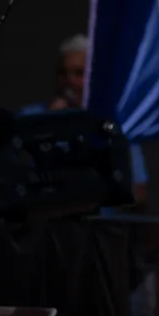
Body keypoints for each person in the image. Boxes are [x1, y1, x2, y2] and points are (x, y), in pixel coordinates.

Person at [20, 34, 148, 208]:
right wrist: (48, 124)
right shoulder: (29, 118)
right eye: (63, 73)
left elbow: (138, 193)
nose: (69, 81)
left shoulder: (116, 123)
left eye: (79, 73)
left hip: (98, 225)